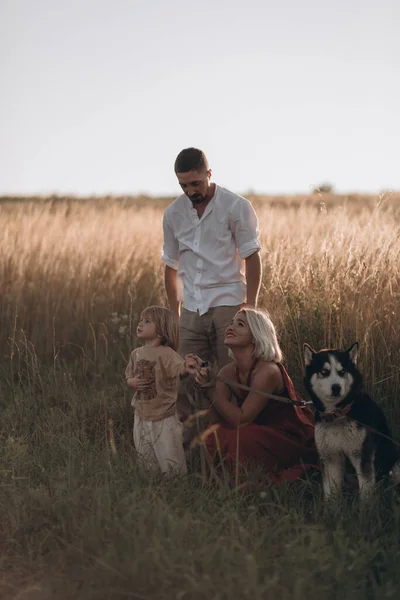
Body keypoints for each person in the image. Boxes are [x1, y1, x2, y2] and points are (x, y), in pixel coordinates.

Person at [162, 147, 262, 419]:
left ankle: (235, 448)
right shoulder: (173, 214)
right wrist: (175, 313)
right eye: (184, 185)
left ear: (209, 174)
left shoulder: (236, 206)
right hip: (192, 310)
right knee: (185, 379)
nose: (191, 191)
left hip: (229, 305)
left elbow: (252, 257)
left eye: (196, 183)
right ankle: (191, 449)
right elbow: (170, 266)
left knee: (234, 379)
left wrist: (250, 309)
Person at [192, 308, 318, 484]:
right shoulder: (227, 372)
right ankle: (220, 483)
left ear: (257, 336)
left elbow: (242, 420)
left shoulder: (268, 371)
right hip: (256, 429)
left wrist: (210, 391)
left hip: (285, 434)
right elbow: (217, 417)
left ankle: (251, 484)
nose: (231, 327)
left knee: (242, 437)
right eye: (231, 323)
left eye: (240, 324)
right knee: (214, 434)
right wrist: (205, 384)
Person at [125, 306, 198, 476]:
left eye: (147, 321)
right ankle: (151, 481)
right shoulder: (136, 354)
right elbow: (128, 374)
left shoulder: (167, 354)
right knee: (145, 452)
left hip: (163, 415)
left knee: (169, 453)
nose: (140, 324)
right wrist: (132, 382)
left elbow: (179, 369)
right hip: (142, 413)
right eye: (141, 320)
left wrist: (187, 365)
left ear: (161, 331)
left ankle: (176, 483)